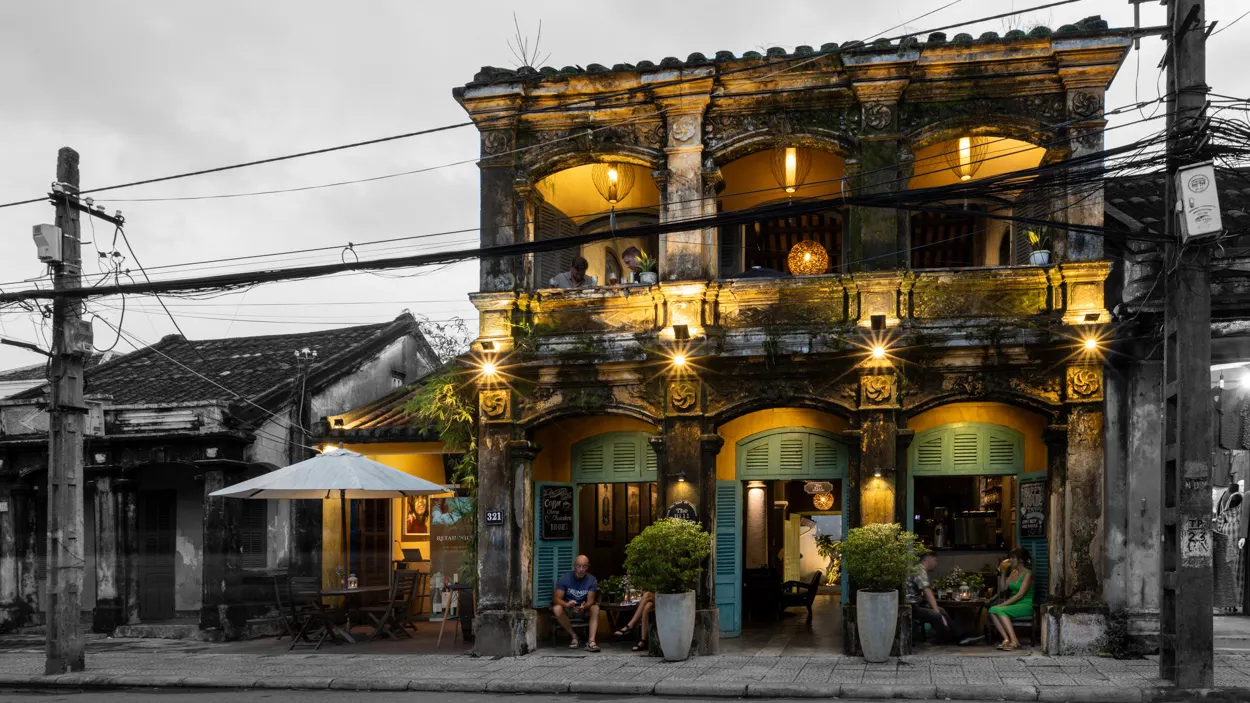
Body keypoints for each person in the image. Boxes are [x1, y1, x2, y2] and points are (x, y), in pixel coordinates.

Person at [907, 553, 961, 644]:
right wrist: (937, 612)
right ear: (928, 559)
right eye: (935, 560)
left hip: (917, 603)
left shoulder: (919, 569)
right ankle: (945, 640)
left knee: (941, 610)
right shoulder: (919, 570)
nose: (936, 563)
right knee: (936, 615)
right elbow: (927, 592)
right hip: (911, 606)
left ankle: (958, 636)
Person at [987, 547, 1034, 650]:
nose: (1010, 560)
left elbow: (1020, 594)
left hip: (1025, 604)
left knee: (998, 609)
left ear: (1021, 560)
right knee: (992, 610)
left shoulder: (1028, 574)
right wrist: (1003, 573)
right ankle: (1007, 640)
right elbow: (1003, 588)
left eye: (1013, 558)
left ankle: (1015, 641)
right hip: (1014, 604)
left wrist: (1003, 604)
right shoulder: (1013, 573)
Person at [553, 554, 600, 652]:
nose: (581, 569)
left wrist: (584, 606)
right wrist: (567, 604)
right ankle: (574, 636)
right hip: (568, 608)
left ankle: (591, 641)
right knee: (556, 608)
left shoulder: (592, 580)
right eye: (579, 566)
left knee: (595, 608)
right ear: (574, 566)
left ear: (588, 567)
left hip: (583, 609)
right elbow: (556, 599)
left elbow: (591, 601)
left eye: (584, 566)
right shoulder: (565, 578)